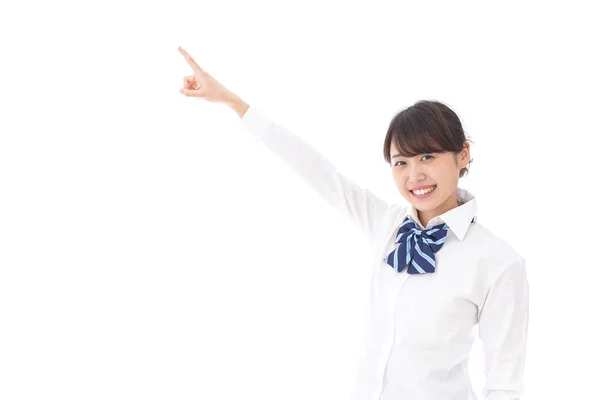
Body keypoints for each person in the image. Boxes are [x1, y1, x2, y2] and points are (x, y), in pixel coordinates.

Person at [178, 46, 529, 400]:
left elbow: (504, 384)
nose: (415, 175)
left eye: (428, 156)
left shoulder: (498, 262)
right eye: (401, 162)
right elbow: (316, 170)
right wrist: (233, 102)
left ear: (463, 154)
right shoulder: (386, 224)